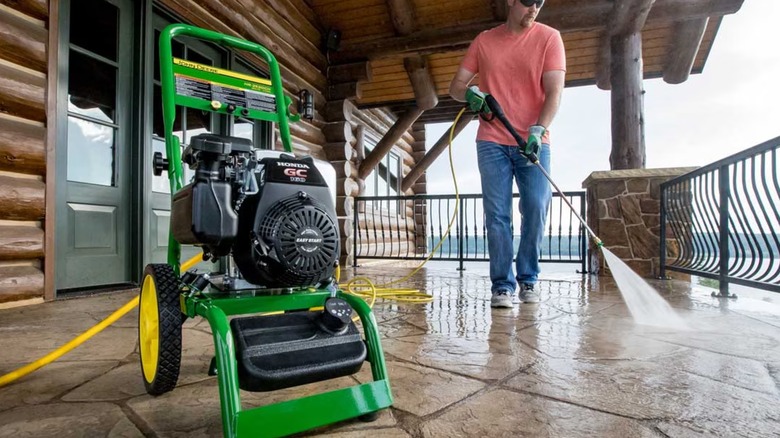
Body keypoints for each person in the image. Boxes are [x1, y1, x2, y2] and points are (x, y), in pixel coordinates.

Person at [449, 0, 565, 308]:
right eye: (528, 2)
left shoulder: (549, 38)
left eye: (540, 3)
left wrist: (539, 130)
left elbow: (554, 91)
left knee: (537, 208)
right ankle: (502, 285)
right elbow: (456, 87)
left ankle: (528, 278)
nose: (534, 9)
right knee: (497, 215)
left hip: (533, 141)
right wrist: (470, 94)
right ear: (511, 1)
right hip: (491, 141)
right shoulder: (485, 41)